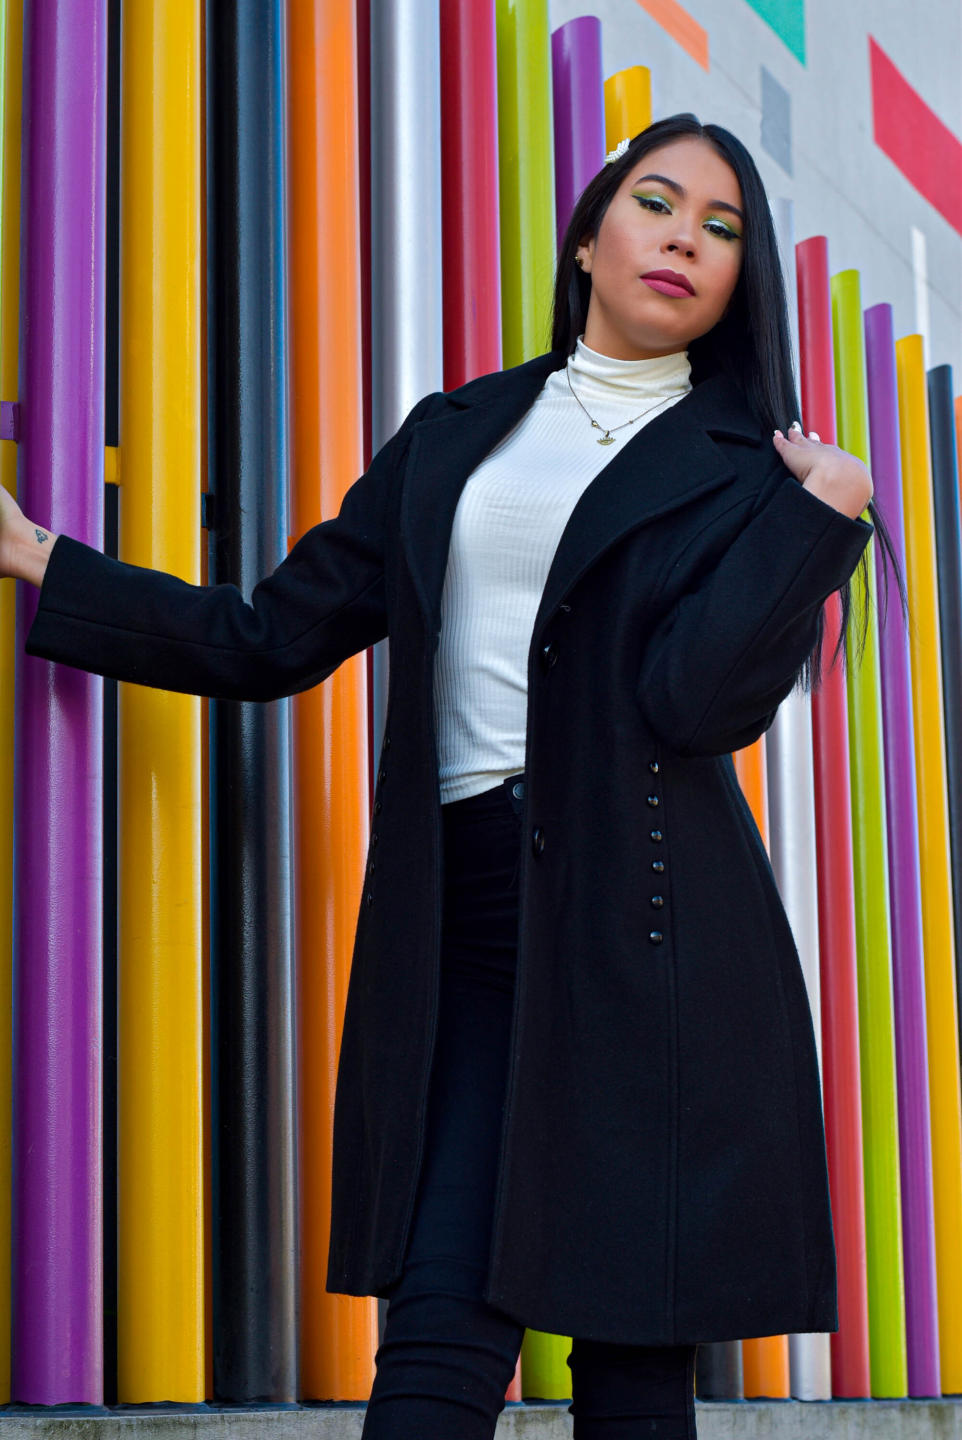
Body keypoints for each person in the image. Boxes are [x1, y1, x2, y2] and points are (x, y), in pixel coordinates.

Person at [3, 114, 900, 1438]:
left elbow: (694, 705)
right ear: (589, 237)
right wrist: (43, 559)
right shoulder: (456, 434)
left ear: (737, 282)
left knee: (631, 1363)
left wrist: (823, 518)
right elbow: (272, 635)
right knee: (438, 1321)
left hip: (649, 929)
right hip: (465, 922)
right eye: (656, 204)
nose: (682, 240)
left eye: (720, 229)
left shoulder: (754, 473)